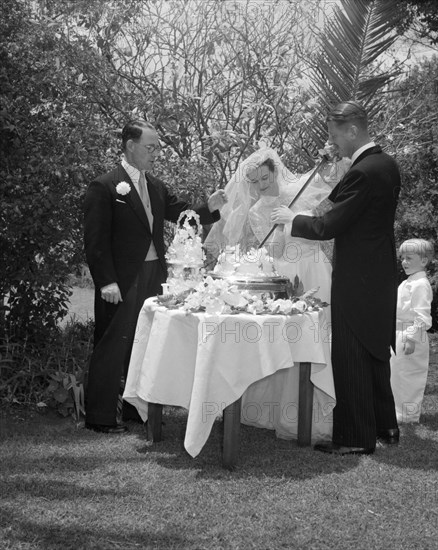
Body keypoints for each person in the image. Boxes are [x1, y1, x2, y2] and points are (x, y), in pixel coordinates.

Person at [272, 101, 401, 455]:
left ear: (352, 131)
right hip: (378, 273)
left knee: (352, 353)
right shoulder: (384, 164)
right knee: (375, 350)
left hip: (357, 276)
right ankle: (385, 425)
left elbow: (328, 224)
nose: (333, 142)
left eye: (333, 135)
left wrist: (291, 219)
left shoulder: (363, 172)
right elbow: (337, 203)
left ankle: (355, 438)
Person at [83, 119, 227, 434]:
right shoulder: (105, 186)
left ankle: (136, 411)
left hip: (154, 275)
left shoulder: (156, 185)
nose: (156, 153)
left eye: (158, 148)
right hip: (121, 280)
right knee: (113, 343)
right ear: (130, 146)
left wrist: (210, 209)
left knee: (143, 342)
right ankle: (100, 417)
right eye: (151, 147)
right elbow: (95, 241)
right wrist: (106, 280)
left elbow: (182, 213)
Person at [204, 146, 347, 441]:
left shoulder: (301, 189)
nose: (261, 186)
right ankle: (284, 409)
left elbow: (331, 199)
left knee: (321, 337)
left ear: (275, 170)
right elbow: (275, 251)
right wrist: (281, 229)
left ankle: (331, 405)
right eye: (254, 182)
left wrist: (294, 216)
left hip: (314, 270)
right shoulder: (257, 211)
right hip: (287, 272)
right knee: (289, 340)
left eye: (265, 178)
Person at [390, 239, 434, 423]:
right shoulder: (409, 282)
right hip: (399, 332)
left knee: (409, 374)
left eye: (409, 258)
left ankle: (408, 414)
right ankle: (397, 410)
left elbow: (422, 315)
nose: (404, 262)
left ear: (423, 260)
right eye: (402, 258)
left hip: (410, 334)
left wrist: (411, 338)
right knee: (398, 373)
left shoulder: (420, 285)